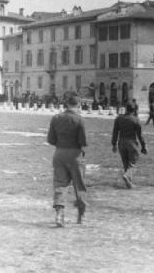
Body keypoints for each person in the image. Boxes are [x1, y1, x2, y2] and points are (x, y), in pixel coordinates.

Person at [47, 94, 87, 227]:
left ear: (66, 104)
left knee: (60, 184)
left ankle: (59, 214)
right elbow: (83, 141)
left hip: (59, 154)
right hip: (75, 154)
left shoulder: (56, 118)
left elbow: (50, 140)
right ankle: (81, 215)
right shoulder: (79, 119)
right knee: (79, 185)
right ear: (78, 104)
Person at [112, 102, 147, 189]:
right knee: (133, 163)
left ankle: (129, 184)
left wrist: (114, 144)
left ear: (126, 109)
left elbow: (115, 132)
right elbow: (140, 135)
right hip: (131, 142)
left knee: (126, 163)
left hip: (121, 142)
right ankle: (127, 176)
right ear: (134, 110)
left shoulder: (118, 118)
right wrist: (143, 146)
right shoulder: (135, 119)